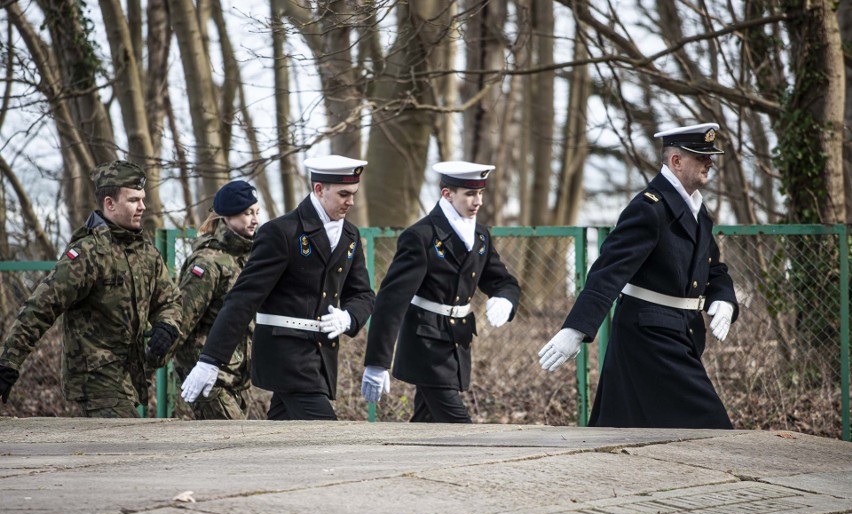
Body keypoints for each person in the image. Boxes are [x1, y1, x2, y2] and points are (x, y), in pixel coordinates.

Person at [538, 122, 738, 429]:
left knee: (624, 427)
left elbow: (714, 268)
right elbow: (608, 271)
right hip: (651, 335)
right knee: (711, 426)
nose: (710, 162)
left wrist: (724, 300)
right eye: (701, 156)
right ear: (676, 161)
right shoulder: (649, 209)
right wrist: (576, 329)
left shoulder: (699, 212)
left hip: (679, 332)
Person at [179, 155, 375, 420]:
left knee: (282, 437)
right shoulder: (281, 232)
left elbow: (362, 294)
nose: (350, 201)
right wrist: (211, 359)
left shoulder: (350, 235)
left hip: (321, 357)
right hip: (287, 357)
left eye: (353, 194)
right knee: (326, 435)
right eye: (343, 194)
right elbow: (243, 298)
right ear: (319, 189)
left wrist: (349, 317)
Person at [0, 160, 182, 418]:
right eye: (133, 200)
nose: (142, 206)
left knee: (123, 451)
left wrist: (167, 325)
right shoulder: (88, 254)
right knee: (129, 446)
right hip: (94, 379)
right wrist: (8, 362)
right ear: (109, 203)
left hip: (129, 378)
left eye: (142, 199)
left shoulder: (145, 252)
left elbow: (170, 301)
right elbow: (40, 307)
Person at [362, 160, 521, 423]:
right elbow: (391, 301)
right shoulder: (421, 236)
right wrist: (378, 362)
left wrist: (505, 298)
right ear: (447, 194)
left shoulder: (480, 235)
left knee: (427, 425)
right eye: (470, 193)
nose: (478, 201)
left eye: (480, 193)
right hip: (426, 345)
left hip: (457, 341)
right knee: (459, 427)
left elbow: (502, 281)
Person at [172, 180, 260, 419]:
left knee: (228, 450)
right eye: (247, 213)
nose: (254, 219)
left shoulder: (245, 259)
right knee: (235, 446)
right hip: (206, 377)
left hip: (234, 374)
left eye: (256, 213)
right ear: (227, 216)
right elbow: (182, 320)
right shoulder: (208, 262)